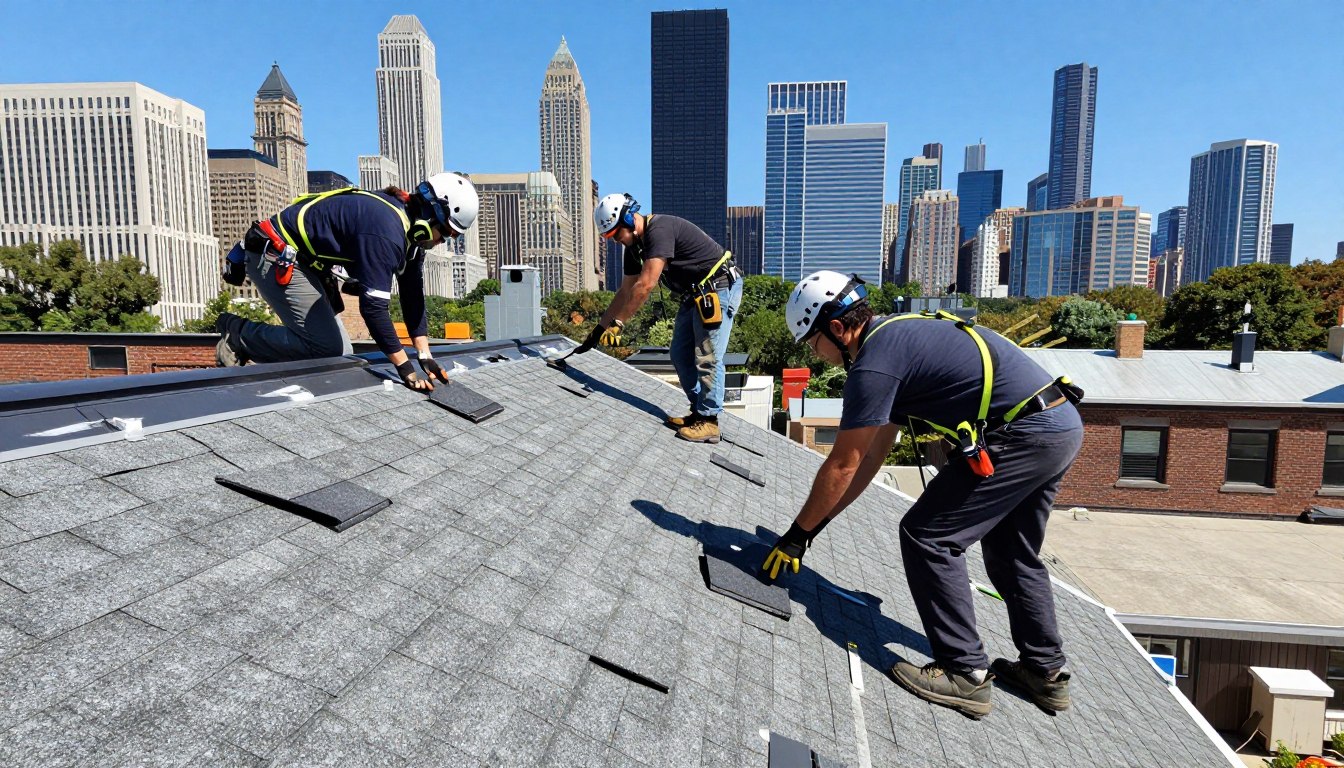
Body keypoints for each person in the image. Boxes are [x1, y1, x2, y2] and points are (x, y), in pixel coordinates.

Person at [761, 270, 1084, 719]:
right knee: (1012, 552)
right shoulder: (898, 336)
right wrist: (819, 525)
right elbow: (872, 458)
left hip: (1025, 432)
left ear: (837, 328)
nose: (816, 356)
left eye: (813, 342)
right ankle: (1045, 673)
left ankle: (965, 673)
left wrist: (796, 534)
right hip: (1058, 422)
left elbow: (843, 463)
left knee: (927, 535)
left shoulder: (873, 364)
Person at [215, 173, 479, 391]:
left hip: (306, 261)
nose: (441, 242)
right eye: (445, 232)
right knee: (325, 349)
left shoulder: (410, 236)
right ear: (430, 214)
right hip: (275, 254)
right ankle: (239, 335)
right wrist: (405, 369)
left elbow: (412, 296)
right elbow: (373, 309)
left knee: (341, 352)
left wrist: (424, 355)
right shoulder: (386, 231)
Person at [576, 193, 741, 443]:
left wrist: (618, 324)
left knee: (707, 355)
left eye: (616, 234)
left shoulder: (659, 230)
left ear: (630, 219)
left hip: (718, 288)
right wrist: (598, 330)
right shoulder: (634, 249)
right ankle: (699, 411)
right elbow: (625, 292)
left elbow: (645, 285)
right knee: (679, 354)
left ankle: (710, 421)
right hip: (694, 293)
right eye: (609, 238)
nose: (616, 241)